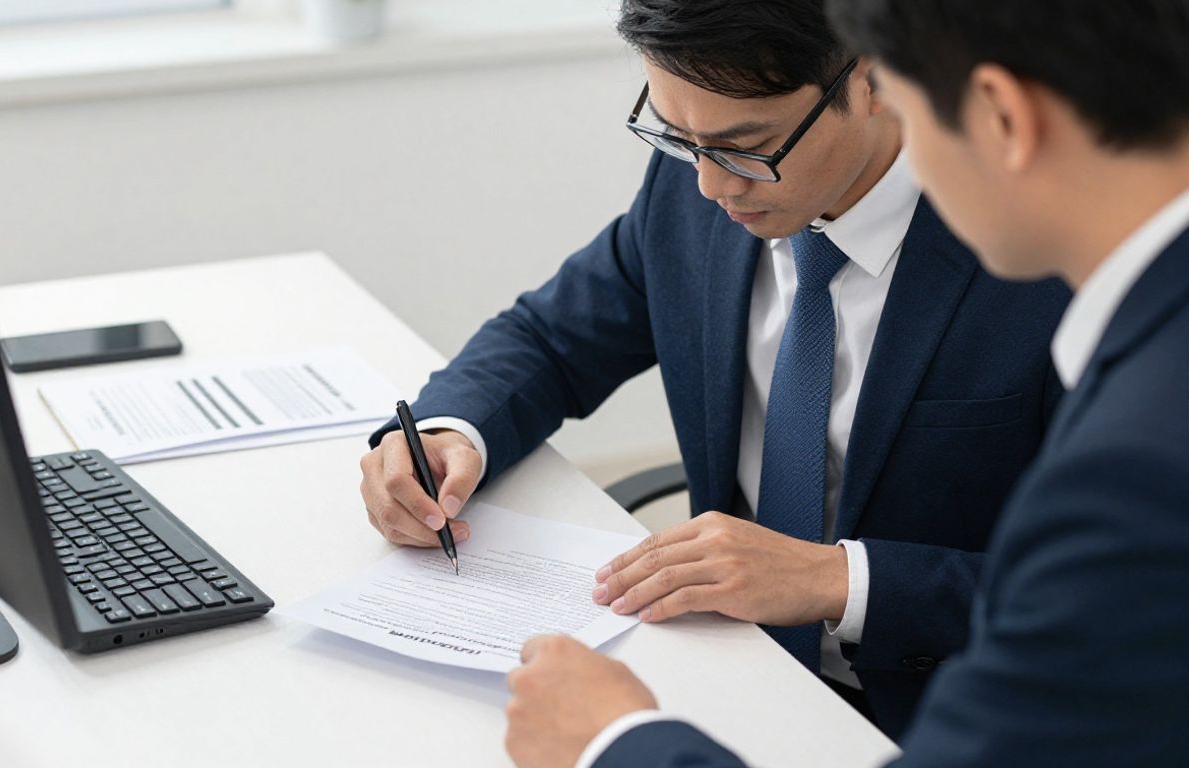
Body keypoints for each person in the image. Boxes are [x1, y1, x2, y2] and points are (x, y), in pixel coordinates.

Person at [502, 0, 1189, 765]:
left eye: (910, 103)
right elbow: (554, 332)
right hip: (739, 673)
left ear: (998, 113)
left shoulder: (1142, 457)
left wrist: (613, 743)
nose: (707, 182)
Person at [360, 0, 1069, 736]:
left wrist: (834, 579)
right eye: (677, 136)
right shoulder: (698, 187)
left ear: (874, 75)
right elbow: (551, 336)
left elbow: (1121, 591)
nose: (709, 184)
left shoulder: (1042, 254)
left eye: (746, 145)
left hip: (952, 718)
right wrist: (448, 434)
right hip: (721, 670)